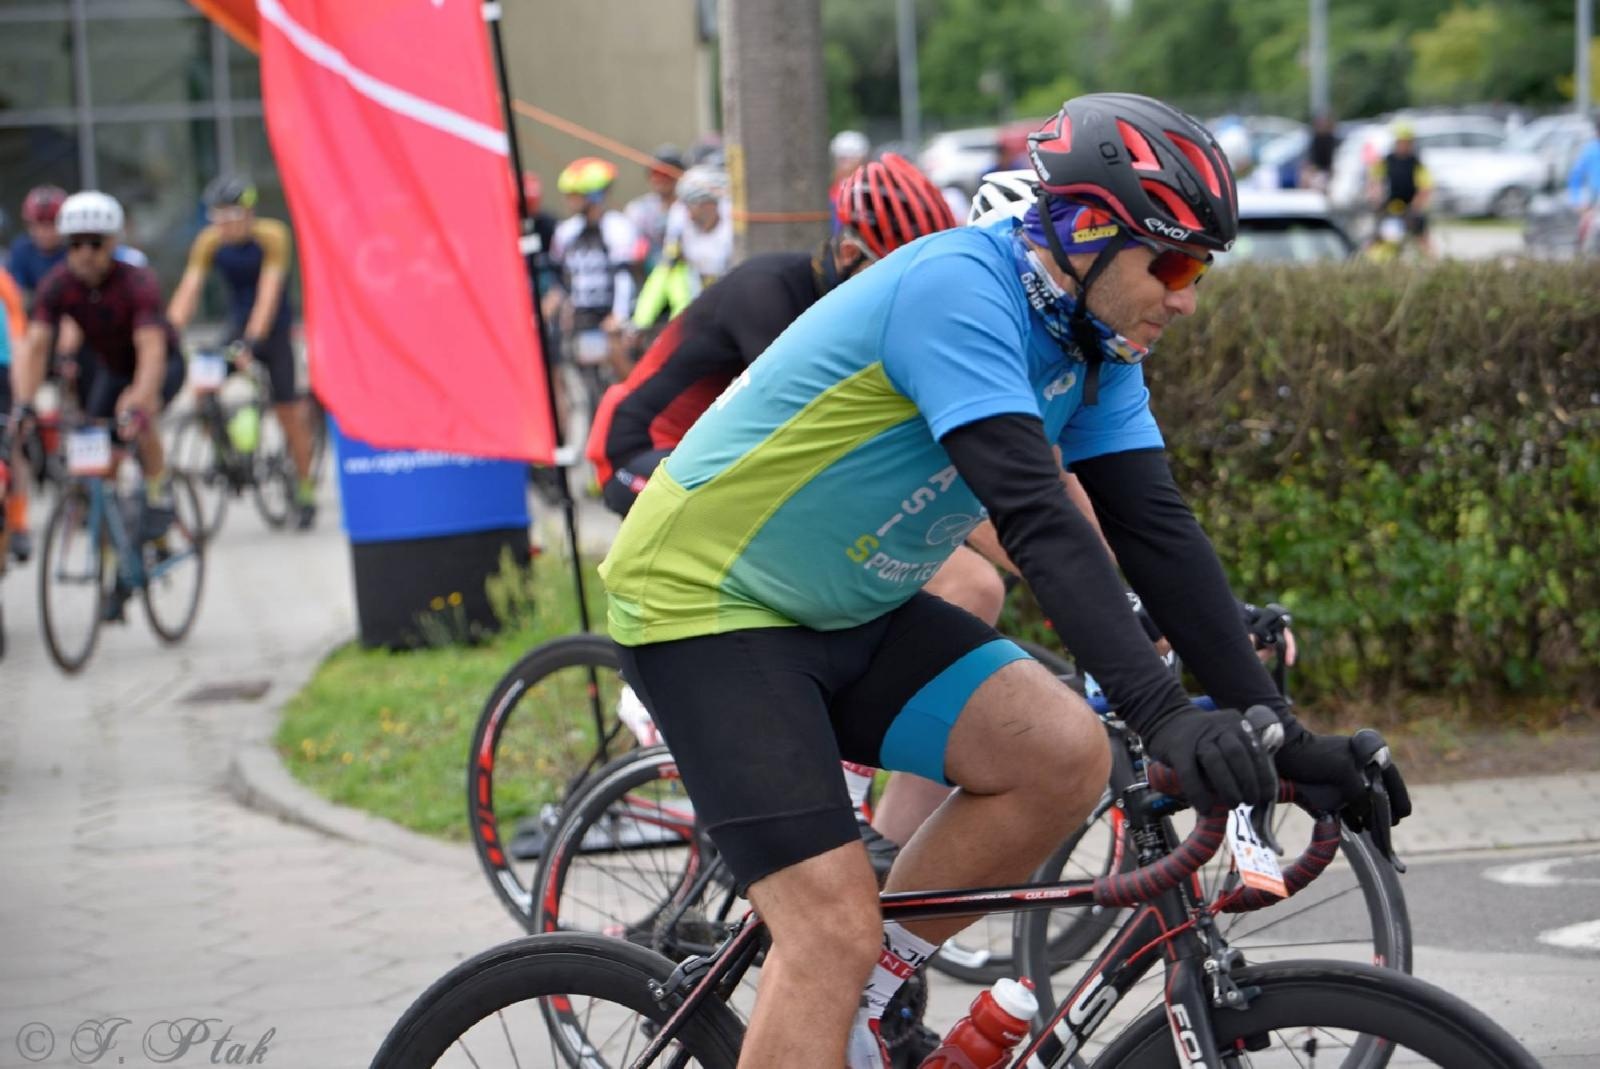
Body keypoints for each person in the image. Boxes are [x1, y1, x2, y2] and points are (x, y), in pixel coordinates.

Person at [598, 93, 1410, 1069]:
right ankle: (844, 974)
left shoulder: (1093, 345)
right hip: (706, 605)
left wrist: (1277, 727)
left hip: (848, 606)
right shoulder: (958, 290)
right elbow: (1036, 521)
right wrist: (1167, 717)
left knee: (1062, 752)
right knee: (826, 931)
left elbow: (1154, 531)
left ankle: (869, 993)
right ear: (1090, 231)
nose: (1187, 296)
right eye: (1176, 263)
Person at [9, 191, 186, 621]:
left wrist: (142, 403)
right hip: (110, 367)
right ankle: (113, 571)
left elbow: (150, 352)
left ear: (112, 242)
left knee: (137, 418)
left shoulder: (136, 281)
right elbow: (35, 346)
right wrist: (25, 405)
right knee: (97, 468)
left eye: (94, 243)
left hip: (158, 363)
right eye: (75, 244)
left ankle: (160, 494)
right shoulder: (58, 284)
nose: (84, 254)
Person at [167, 174, 318, 529]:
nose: (224, 223)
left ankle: (305, 485)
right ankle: (225, 453)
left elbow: (269, 291)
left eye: (231, 214)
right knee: (203, 387)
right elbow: (189, 290)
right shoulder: (209, 242)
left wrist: (251, 342)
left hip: (273, 329)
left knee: (288, 411)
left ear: (248, 212)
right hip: (235, 325)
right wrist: (166, 332)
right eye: (217, 215)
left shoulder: (272, 236)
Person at [547, 157, 643, 384]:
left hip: (612, 316)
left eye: (576, 194)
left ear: (594, 195)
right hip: (582, 317)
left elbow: (624, 276)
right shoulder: (566, 232)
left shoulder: (618, 227)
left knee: (624, 376)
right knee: (585, 383)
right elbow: (561, 278)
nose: (569, 201)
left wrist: (618, 315)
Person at [1367, 120, 1435, 257]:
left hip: (1410, 209)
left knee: (1423, 242)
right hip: (1389, 208)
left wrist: (1415, 207)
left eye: (1407, 142)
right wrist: (1377, 199)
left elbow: (1425, 187)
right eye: (1401, 141)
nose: (1404, 145)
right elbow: (1375, 182)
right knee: (1380, 241)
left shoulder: (1416, 164)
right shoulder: (1386, 161)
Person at [1, 263, 29, 561]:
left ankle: (19, 522)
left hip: (3, 373)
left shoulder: (3, 283)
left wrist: (21, 402)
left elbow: (19, 340)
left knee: (11, 452)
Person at [625, 145, 686, 271]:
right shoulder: (638, 209)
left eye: (667, 174)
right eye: (656, 173)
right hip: (649, 276)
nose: (660, 180)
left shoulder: (689, 209)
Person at [1566, 114, 1600, 256]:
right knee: (1588, 232)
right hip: (1594, 202)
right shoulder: (1590, 150)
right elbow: (1575, 177)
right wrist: (1577, 201)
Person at [1300, 112, 1340, 192]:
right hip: (1318, 171)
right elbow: (1311, 160)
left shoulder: (1332, 140)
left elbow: (1334, 160)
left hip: (1328, 171)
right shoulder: (1315, 140)